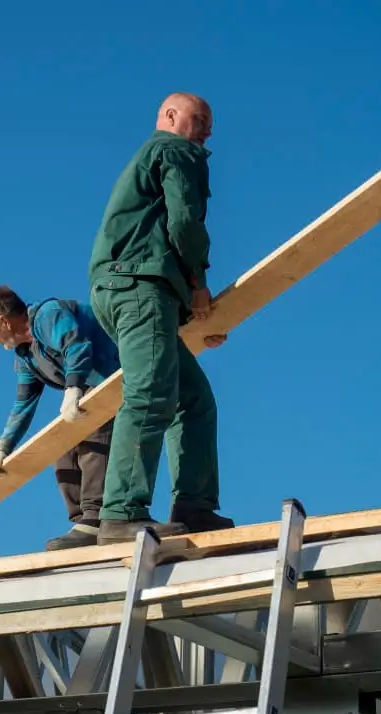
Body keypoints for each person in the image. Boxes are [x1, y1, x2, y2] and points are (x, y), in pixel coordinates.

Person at [86, 91, 235, 546]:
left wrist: (188, 314)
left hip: (127, 291)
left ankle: (194, 506)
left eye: (210, 122)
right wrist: (198, 284)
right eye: (200, 118)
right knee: (150, 396)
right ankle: (122, 513)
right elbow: (185, 221)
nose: (208, 130)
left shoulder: (151, 155)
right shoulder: (175, 150)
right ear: (170, 116)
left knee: (193, 397)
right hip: (139, 287)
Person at [0, 285, 184, 551]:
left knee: (93, 433)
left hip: (121, 373)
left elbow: (76, 345)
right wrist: (2, 448)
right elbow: (23, 403)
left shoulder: (47, 315)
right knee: (61, 444)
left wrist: (73, 387)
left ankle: (96, 515)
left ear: (3, 321)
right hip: (89, 387)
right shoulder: (26, 356)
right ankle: (83, 521)